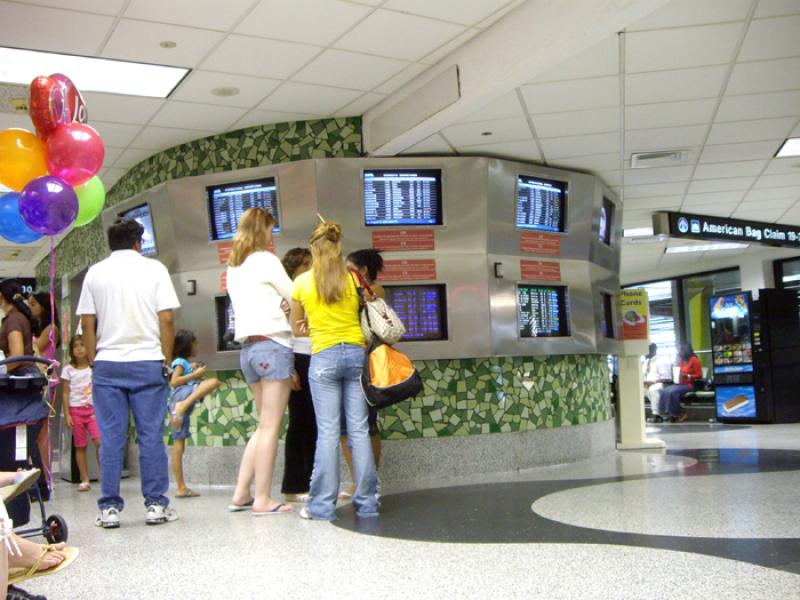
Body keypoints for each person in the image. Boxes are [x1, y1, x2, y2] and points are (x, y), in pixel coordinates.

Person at [76, 218, 181, 528]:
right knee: (150, 437)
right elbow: (166, 320)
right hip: (148, 362)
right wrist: (166, 360)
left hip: (107, 364)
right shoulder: (155, 270)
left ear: (111, 243)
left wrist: (95, 361)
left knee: (111, 439)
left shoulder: (95, 273)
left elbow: (87, 322)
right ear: (139, 242)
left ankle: (109, 509)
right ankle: (156, 506)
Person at [291, 220, 379, 521]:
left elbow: (297, 329)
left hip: (324, 358)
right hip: (356, 354)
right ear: (338, 247)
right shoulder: (354, 279)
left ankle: (321, 507)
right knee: (359, 431)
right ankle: (367, 504)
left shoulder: (302, 283)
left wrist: (315, 326)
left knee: (328, 433)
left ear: (314, 248)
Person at [226, 208, 295, 515]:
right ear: (261, 231)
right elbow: (296, 294)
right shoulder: (266, 260)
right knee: (271, 427)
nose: (271, 236)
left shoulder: (234, 266)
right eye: (269, 230)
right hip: (272, 345)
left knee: (262, 425)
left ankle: (242, 492)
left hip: (249, 352)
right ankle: (264, 498)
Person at [0, 280, 49, 517]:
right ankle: (38, 486)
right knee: (25, 441)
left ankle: (31, 487)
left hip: (18, 388)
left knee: (15, 443)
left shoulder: (12, 320)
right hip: (28, 388)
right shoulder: (20, 317)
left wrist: (2, 370)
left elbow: (16, 355)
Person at [339, 248, 385, 498]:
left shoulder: (373, 291)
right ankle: (360, 480)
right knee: (350, 426)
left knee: (366, 424)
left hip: (365, 362)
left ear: (363, 270)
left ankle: (368, 480)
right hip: (353, 358)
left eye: (348, 267)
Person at [280, 248, 316, 503]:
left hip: (315, 356)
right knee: (301, 423)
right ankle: (296, 484)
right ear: (293, 269)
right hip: (298, 358)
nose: (310, 267)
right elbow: (283, 335)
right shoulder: (286, 295)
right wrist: (289, 367)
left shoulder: (312, 289)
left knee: (312, 424)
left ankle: (309, 482)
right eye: (305, 264)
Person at [168, 329, 220, 499]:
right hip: (181, 398)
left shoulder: (183, 363)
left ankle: (181, 487)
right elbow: (174, 381)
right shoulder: (180, 361)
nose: (197, 346)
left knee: (178, 445)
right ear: (188, 345)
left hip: (176, 403)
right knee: (213, 382)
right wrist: (195, 374)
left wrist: (193, 370)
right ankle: (184, 405)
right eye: (195, 343)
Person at [27, 292, 60, 493]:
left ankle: (46, 477)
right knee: (39, 432)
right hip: (39, 381)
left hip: (48, 381)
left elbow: (36, 349)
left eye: (33, 304)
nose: (30, 308)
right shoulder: (38, 327)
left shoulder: (51, 328)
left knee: (43, 432)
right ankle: (42, 475)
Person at [60, 335, 100, 492]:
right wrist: (67, 414)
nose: (79, 348)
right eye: (75, 346)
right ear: (71, 351)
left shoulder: (93, 368)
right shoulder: (67, 370)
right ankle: (84, 479)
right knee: (80, 446)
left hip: (93, 411)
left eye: (83, 344)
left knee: (99, 442)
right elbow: (65, 393)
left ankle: (104, 475)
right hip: (76, 412)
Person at [659, 343, 703, 423]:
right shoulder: (681, 361)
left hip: (691, 384)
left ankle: (677, 413)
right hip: (681, 383)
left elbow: (699, 375)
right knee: (664, 390)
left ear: (686, 351)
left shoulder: (694, 360)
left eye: (681, 350)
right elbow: (679, 371)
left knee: (672, 392)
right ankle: (667, 412)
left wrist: (688, 376)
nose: (679, 352)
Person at [642, 343, 673, 424]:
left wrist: (652, 382)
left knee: (653, 389)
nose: (645, 353)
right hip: (647, 384)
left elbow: (666, 377)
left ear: (653, 350)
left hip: (659, 383)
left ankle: (657, 415)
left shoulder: (661, 360)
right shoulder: (646, 362)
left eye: (647, 350)